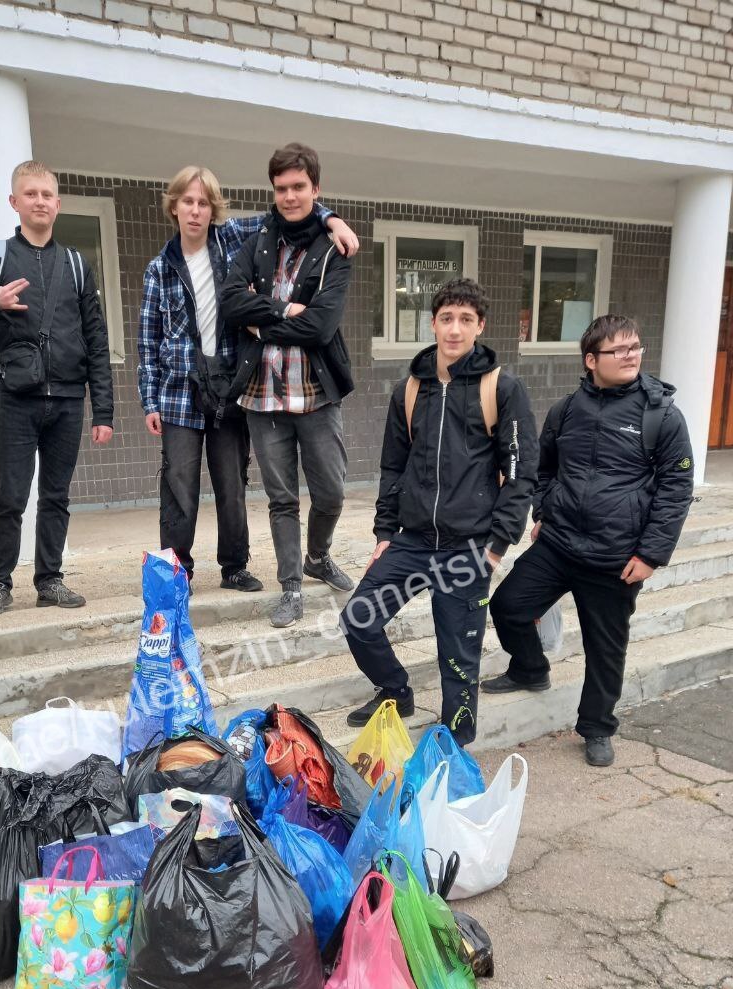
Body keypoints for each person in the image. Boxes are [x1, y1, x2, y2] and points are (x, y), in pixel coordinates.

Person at [482, 314, 695, 767]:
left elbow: (676, 490)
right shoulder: (566, 409)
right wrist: (543, 510)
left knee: (605, 648)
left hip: (616, 557)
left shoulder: (661, 416)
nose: (631, 355)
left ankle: (596, 727)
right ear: (591, 359)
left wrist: (652, 555)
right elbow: (543, 468)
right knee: (507, 606)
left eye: (635, 346)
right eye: (619, 350)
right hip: (559, 544)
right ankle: (530, 668)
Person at [138, 166, 358, 594]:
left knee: (231, 480)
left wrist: (333, 218)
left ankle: (234, 566)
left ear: (213, 209)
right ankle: (177, 572)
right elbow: (148, 342)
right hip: (179, 392)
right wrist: (150, 401)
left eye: (204, 203)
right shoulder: (158, 269)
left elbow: (291, 209)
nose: (196, 211)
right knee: (178, 482)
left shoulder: (236, 238)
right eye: (188, 202)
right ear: (174, 207)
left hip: (229, 384)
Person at [340, 278, 538, 743]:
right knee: (358, 619)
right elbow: (393, 466)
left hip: (467, 546)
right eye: (446, 318)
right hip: (410, 542)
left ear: (480, 326)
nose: (454, 329)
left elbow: (520, 472)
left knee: (457, 657)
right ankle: (395, 691)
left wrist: (496, 547)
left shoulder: (502, 388)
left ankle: (454, 749)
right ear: (433, 323)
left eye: (466, 320)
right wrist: (385, 531)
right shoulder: (409, 390)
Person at [0, 160, 113, 617]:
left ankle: (50, 579)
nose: (40, 201)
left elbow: (97, 340)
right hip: (17, 399)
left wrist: (103, 411)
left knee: (56, 495)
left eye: (47, 195)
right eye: (31, 194)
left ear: (58, 205)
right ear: (14, 202)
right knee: (10, 496)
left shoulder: (77, 265)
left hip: (66, 400)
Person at [220, 143, 356, 629]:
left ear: (315, 191)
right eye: (282, 189)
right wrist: (283, 310)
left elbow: (321, 328)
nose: (290, 196)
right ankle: (292, 586)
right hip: (263, 394)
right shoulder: (255, 240)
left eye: (299, 187)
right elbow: (232, 301)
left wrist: (261, 322)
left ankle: (317, 556)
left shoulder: (334, 247)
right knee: (282, 499)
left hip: (316, 394)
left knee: (332, 493)